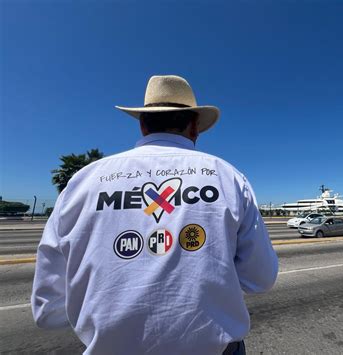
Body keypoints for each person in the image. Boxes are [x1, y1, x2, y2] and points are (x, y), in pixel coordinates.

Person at [31, 75, 279, 355]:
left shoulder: (82, 182)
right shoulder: (228, 178)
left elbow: (48, 309)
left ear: (142, 124)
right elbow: (261, 279)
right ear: (195, 126)